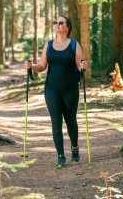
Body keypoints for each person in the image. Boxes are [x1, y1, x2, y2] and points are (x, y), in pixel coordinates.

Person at [24, 16, 87, 168]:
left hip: (70, 89)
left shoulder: (74, 45)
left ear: (67, 27)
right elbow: (42, 66)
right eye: (55, 23)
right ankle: (60, 156)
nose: (57, 25)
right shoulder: (49, 45)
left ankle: (75, 148)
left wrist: (83, 66)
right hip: (52, 89)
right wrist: (31, 67)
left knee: (71, 121)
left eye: (61, 23)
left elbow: (80, 65)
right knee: (56, 122)